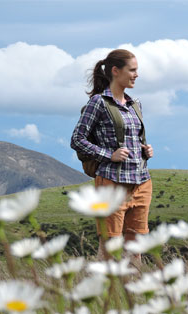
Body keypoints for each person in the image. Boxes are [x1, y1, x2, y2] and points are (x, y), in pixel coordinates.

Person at [70, 49, 153, 263]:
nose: (136, 75)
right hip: (112, 182)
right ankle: (106, 294)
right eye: (132, 70)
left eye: (137, 70)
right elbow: (77, 140)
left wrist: (146, 149)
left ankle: (133, 293)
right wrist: (109, 154)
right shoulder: (98, 102)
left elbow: (134, 138)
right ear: (116, 71)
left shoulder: (136, 104)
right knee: (110, 246)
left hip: (141, 182)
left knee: (135, 248)